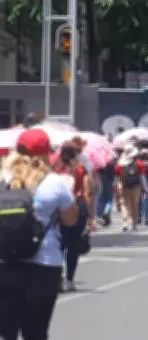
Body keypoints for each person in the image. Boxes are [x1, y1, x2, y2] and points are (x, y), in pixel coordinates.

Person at [0, 129, 78, 338]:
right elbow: (71, 221)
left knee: (5, 332)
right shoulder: (56, 183)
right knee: (36, 332)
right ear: (45, 154)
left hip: (5, 262)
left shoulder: (2, 179)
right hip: (44, 264)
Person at [50, 141, 93, 292]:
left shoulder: (54, 168)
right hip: (76, 208)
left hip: (56, 209)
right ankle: (69, 280)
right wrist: (91, 215)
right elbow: (87, 192)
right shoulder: (80, 169)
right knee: (73, 246)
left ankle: (57, 278)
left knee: (58, 245)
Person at [114, 145, 148, 233]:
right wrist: (145, 188)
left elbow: (117, 178)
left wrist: (116, 188)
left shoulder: (120, 164)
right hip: (136, 186)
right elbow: (142, 177)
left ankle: (125, 222)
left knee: (124, 205)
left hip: (123, 186)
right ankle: (134, 224)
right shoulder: (139, 163)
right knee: (134, 205)